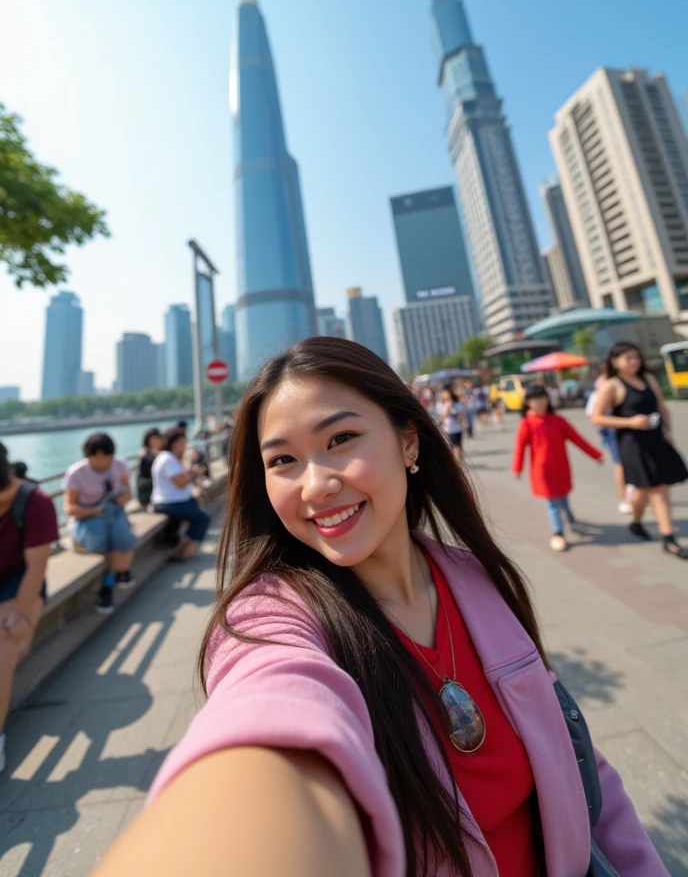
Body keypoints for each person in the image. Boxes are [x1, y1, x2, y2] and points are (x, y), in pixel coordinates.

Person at [96, 337, 666, 877]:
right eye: (282, 461)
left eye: (340, 440)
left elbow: (578, 760)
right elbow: (268, 722)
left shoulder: (472, 576)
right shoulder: (269, 622)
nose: (315, 485)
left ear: (408, 441)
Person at [591, 341, 688, 559]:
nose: (634, 361)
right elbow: (597, 417)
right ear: (615, 362)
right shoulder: (612, 385)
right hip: (632, 444)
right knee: (646, 488)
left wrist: (668, 430)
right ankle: (648, 527)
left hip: (656, 439)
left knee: (659, 487)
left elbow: (661, 405)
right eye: (628, 358)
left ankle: (666, 537)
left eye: (636, 357)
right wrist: (630, 422)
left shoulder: (649, 379)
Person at [0, 442, 58, 773]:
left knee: (6, 639)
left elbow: (36, 568)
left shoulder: (35, 502)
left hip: (17, 581)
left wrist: (22, 615)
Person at [512, 384, 604, 552]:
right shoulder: (526, 423)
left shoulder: (558, 421)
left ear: (548, 399)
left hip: (561, 467)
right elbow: (519, 447)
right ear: (528, 403)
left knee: (563, 496)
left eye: (542, 398)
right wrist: (517, 468)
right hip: (542, 471)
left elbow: (578, 439)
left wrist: (595, 455)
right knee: (553, 503)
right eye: (535, 399)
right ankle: (558, 532)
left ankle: (569, 516)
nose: (539, 402)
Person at [63, 433, 136, 614]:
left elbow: (127, 490)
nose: (101, 460)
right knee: (112, 539)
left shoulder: (120, 465)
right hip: (88, 516)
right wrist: (94, 511)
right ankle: (120, 572)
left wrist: (124, 496)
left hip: (113, 510)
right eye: (95, 456)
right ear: (88, 456)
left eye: (106, 456)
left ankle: (108, 583)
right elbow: (70, 508)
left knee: (122, 537)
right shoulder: (76, 473)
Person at [152, 427, 211, 561]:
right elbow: (181, 483)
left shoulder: (169, 457)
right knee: (203, 518)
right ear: (175, 442)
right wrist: (194, 474)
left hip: (174, 500)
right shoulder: (167, 458)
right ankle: (187, 550)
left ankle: (184, 547)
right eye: (183, 442)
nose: (185, 445)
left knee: (200, 514)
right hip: (168, 502)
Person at [586, 364, 632, 514]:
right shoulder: (606, 384)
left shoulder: (626, 380)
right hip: (613, 431)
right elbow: (595, 415)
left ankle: (637, 495)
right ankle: (625, 498)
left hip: (629, 431)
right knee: (620, 465)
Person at [437, 384, 466, 462]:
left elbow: (462, 416)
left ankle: (458, 463)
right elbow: (441, 417)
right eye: (444, 393)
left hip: (457, 429)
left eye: (447, 393)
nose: (446, 395)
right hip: (447, 430)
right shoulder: (440, 404)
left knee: (458, 448)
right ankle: (456, 463)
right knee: (452, 449)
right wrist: (447, 407)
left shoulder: (457, 403)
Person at [137, 428, 162, 508]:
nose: (156, 442)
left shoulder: (160, 453)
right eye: (153, 440)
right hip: (149, 494)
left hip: (157, 491)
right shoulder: (145, 456)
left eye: (157, 439)